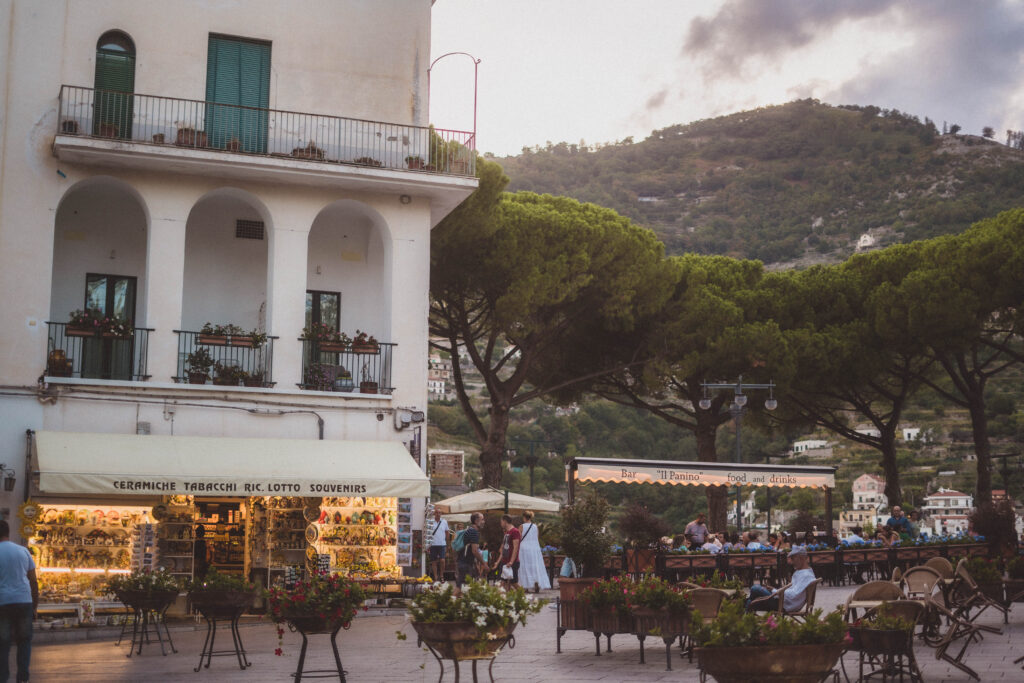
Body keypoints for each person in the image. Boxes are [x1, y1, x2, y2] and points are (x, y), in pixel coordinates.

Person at [0, 519, 38, 683]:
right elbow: (33, 581)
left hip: (3, 602)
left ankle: (3, 677)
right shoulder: (23, 551)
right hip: (24, 601)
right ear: (8, 532)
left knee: (3, 643)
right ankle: (23, 678)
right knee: (24, 641)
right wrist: (35, 607)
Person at [747, 545, 816, 612]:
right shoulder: (803, 572)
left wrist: (775, 591)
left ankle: (744, 614)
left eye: (793, 558)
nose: (792, 562)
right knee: (751, 601)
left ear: (801, 558)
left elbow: (793, 594)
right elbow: (793, 591)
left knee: (755, 589)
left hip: (785, 605)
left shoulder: (806, 575)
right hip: (785, 602)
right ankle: (746, 612)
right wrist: (776, 590)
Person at [516, 510, 550, 592]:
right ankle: (536, 583)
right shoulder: (535, 526)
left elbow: (518, 538)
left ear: (524, 517)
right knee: (535, 566)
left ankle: (525, 586)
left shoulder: (521, 526)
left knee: (524, 566)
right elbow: (536, 538)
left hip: (524, 548)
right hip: (534, 548)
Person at [456, 512, 486, 588]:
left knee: (464, 588)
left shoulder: (469, 529)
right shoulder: (473, 532)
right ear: (476, 521)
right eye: (482, 519)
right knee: (460, 589)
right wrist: (484, 563)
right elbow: (474, 551)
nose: (484, 522)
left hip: (464, 562)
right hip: (465, 564)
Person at [492, 514, 521, 589]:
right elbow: (503, 550)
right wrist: (497, 562)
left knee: (514, 582)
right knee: (502, 583)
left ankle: (523, 597)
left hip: (512, 562)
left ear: (505, 521)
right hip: (504, 561)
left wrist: (511, 561)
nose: (501, 524)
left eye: (501, 522)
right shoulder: (506, 533)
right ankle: (505, 599)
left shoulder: (515, 531)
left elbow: (516, 547)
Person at [428, 509, 450, 582]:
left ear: (441, 514)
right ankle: (436, 577)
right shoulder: (430, 521)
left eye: (439, 512)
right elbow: (428, 533)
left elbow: (447, 532)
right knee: (434, 561)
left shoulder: (444, 521)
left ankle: (441, 575)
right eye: (436, 512)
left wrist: (448, 543)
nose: (438, 514)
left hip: (442, 544)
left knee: (442, 560)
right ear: (434, 513)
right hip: (433, 544)